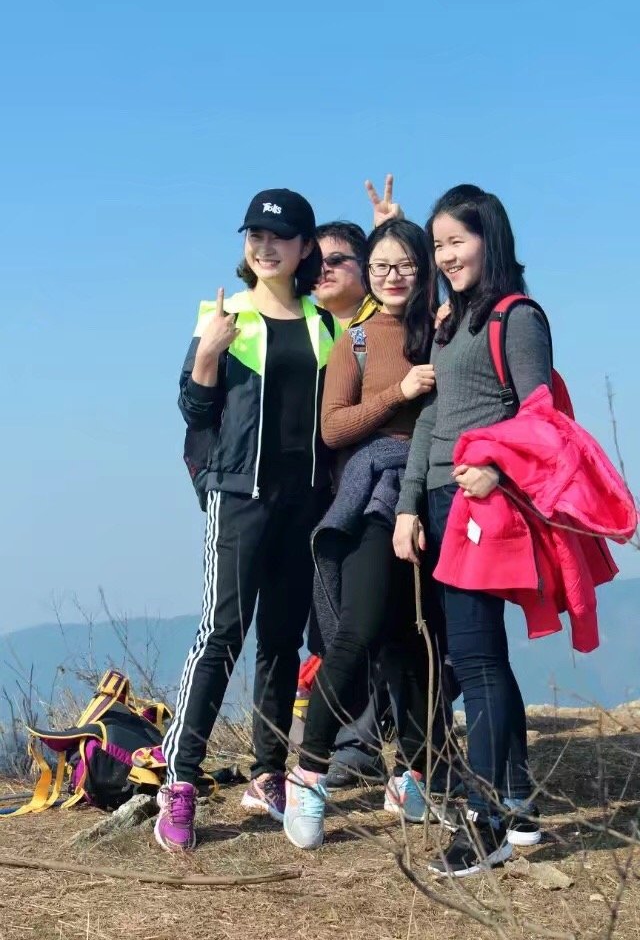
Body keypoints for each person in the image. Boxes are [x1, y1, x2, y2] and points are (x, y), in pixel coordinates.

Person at [155, 189, 341, 853]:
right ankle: (179, 781)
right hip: (239, 496)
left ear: (304, 246)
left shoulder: (323, 322)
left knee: (281, 640)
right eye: (255, 236)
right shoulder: (223, 314)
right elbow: (193, 409)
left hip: (303, 501)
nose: (264, 247)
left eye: (279, 237)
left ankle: (267, 774)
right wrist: (209, 354)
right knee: (222, 632)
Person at [393, 184, 551, 876]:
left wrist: (499, 471)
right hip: (437, 500)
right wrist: (407, 504)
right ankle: (516, 801)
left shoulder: (518, 317)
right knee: (481, 654)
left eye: (457, 241)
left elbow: (539, 415)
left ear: (490, 238)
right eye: (439, 246)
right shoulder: (452, 321)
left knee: (476, 658)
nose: (446, 256)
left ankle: (484, 823)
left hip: (481, 502)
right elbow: (433, 416)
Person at [284, 218, 450, 850]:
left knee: (414, 643)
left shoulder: (441, 329)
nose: (392, 276)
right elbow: (333, 429)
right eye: (381, 266)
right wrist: (398, 394)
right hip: (373, 500)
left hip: (435, 497)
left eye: (405, 264)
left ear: (423, 269)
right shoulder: (353, 341)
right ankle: (308, 776)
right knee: (357, 631)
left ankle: (414, 774)